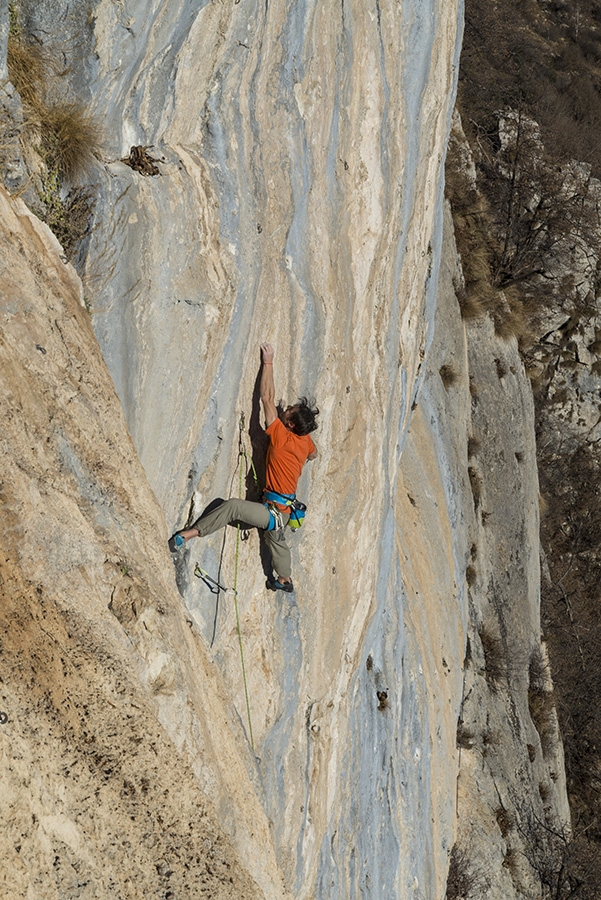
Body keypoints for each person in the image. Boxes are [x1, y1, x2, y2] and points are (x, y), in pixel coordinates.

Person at [168, 342, 319, 592]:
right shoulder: (305, 441)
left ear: (291, 425)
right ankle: (284, 579)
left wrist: (268, 362)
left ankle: (191, 534)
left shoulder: (282, 436)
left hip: (272, 511)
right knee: (276, 539)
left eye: (289, 410)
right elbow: (314, 455)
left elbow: (266, 398)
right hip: (281, 511)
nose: (286, 408)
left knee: (234, 507)